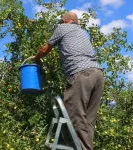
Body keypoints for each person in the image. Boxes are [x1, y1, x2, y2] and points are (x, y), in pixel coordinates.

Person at [35, 12, 104, 150]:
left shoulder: (62, 27)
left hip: (81, 74)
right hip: (98, 75)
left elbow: (45, 48)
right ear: (77, 22)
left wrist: (36, 59)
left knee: (75, 115)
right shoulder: (83, 32)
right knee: (88, 121)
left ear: (64, 20)